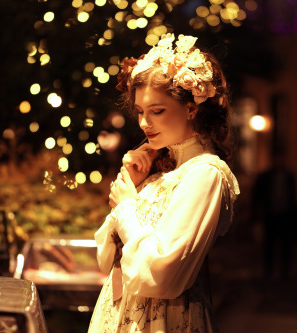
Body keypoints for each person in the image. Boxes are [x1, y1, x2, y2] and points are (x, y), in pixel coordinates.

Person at [88, 33, 240, 333]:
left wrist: (128, 207)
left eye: (157, 111)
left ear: (191, 108)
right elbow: (107, 261)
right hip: (119, 315)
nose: (144, 123)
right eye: (141, 112)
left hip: (164, 321)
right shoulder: (158, 174)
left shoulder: (206, 174)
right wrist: (133, 183)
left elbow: (164, 277)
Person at [251, 149, 297, 280]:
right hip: (270, 214)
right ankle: (269, 270)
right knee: (269, 244)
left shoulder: (290, 177)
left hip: (285, 215)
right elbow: (257, 196)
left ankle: (285, 271)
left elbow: (294, 197)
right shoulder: (265, 177)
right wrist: (255, 215)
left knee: (285, 244)